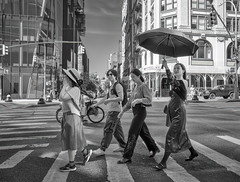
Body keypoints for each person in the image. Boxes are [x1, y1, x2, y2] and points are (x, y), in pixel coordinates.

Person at [153, 60, 198, 171]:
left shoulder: (183, 81)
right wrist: (168, 105)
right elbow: (174, 93)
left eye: (178, 68)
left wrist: (166, 67)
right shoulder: (176, 83)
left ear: (183, 71)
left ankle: (163, 162)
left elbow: (173, 81)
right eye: (175, 68)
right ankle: (193, 152)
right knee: (182, 132)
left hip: (179, 113)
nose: (176, 69)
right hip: (173, 111)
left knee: (170, 136)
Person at [117, 68, 160, 164]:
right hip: (135, 112)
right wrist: (122, 112)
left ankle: (127, 156)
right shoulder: (135, 87)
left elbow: (149, 99)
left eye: (133, 77)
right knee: (144, 133)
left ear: (139, 76)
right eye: (131, 77)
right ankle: (154, 148)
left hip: (141, 112)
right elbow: (129, 102)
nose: (132, 79)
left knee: (132, 132)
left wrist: (139, 100)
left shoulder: (143, 86)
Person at [59, 68, 92, 172]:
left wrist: (64, 85)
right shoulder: (70, 88)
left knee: (72, 140)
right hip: (68, 116)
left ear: (70, 78)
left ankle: (72, 164)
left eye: (66, 76)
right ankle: (85, 152)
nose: (64, 77)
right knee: (73, 139)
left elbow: (62, 97)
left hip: (72, 116)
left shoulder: (75, 89)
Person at [92, 69, 126, 156]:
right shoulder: (111, 87)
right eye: (108, 75)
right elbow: (105, 98)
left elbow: (121, 98)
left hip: (115, 111)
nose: (109, 76)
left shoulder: (117, 85)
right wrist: (96, 104)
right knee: (117, 130)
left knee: (108, 129)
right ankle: (123, 146)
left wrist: (110, 99)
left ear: (115, 75)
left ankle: (102, 149)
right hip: (113, 111)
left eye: (111, 74)